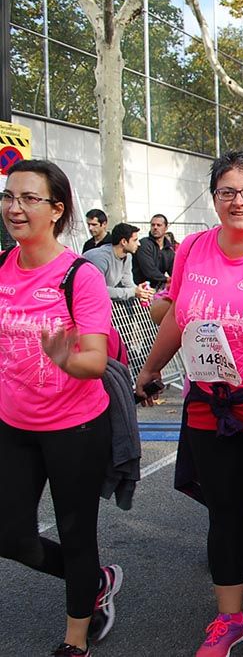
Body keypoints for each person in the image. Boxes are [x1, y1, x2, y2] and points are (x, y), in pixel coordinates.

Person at [135, 152, 243, 657]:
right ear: (213, 198)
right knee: (224, 514)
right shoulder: (192, 248)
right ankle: (229, 618)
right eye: (227, 191)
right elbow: (178, 317)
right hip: (209, 403)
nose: (238, 201)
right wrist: (148, 369)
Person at [0, 159, 122, 657]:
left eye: (29, 198)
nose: (15, 207)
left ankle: (76, 637)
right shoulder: (0, 266)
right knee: (12, 538)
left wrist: (64, 357)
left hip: (75, 427)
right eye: (9, 196)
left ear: (56, 210)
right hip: (13, 425)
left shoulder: (79, 275)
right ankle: (95, 580)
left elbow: (96, 360)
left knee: (76, 533)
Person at [83, 223, 154, 304]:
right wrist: (133, 292)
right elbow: (97, 290)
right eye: (135, 240)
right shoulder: (100, 258)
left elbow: (127, 283)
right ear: (123, 242)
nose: (139, 244)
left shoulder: (127, 256)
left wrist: (141, 292)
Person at [133, 213, 175, 290]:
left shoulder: (169, 250)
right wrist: (167, 279)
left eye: (159, 225)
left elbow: (174, 271)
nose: (155, 227)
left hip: (158, 289)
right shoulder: (143, 244)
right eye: (153, 225)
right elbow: (149, 270)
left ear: (166, 228)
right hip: (140, 289)